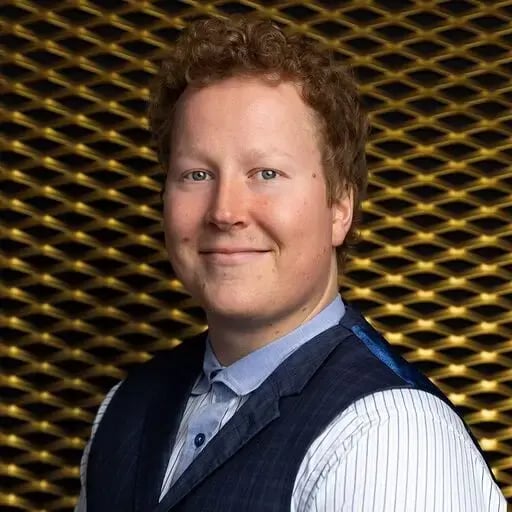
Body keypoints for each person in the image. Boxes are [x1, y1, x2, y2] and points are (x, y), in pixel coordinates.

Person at [75, 16, 506, 511]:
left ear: (339, 208)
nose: (224, 212)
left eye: (266, 173)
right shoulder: (124, 409)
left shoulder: (389, 436)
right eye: (196, 174)